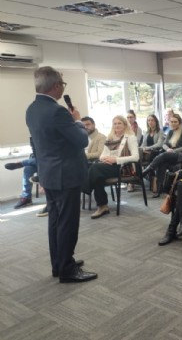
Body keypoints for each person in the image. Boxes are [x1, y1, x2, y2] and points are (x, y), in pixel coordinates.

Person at [26, 66, 97, 283]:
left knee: (56, 221)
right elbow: (82, 140)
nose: (62, 89)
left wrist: (42, 175)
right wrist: (76, 119)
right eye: (62, 85)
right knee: (68, 222)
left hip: (49, 174)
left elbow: (37, 145)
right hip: (66, 176)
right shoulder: (57, 112)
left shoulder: (32, 109)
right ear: (56, 86)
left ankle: (59, 263)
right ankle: (67, 269)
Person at [84, 115, 139, 219]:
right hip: (108, 166)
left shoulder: (130, 137)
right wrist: (106, 159)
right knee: (97, 176)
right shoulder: (110, 138)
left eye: (119, 123)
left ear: (124, 125)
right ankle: (102, 206)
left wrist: (116, 160)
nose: (117, 126)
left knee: (95, 168)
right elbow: (102, 156)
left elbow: (136, 157)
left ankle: (86, 188)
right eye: (115, 123)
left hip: (123, 167)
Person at [142, 114, 182, 197]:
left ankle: (148, 169)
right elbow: (164, 144)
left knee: (163, 155)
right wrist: (168, 149)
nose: (173, 123)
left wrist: (173, 150)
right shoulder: (170, 132)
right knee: (162, 164)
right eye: (172, 121)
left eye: (175, 122)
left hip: (179, 155)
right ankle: (159, 190)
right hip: (169, 153)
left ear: (179, 123)